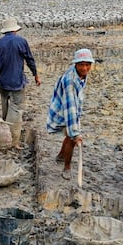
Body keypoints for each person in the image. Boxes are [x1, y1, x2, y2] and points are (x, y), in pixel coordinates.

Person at [46, 48, 95, 179]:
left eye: (87, 64)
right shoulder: (70, 81)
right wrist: (75, 133)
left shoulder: (81, 74)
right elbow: (70, 107)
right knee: (72, 139)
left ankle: (61, 156)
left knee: (70, 137)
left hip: (69, 107)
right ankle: (67, 167)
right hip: (63, 110)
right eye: (81, 65)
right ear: (76, 64)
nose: (85, 68)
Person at [0, 16, 41, 148]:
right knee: (16, 110)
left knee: (5, 109)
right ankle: (13, 141)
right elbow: (29, 59)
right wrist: (35, 74)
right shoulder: (21, 41)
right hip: (17, 82)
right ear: (15, 30)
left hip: (2, 81)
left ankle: (3, 135)